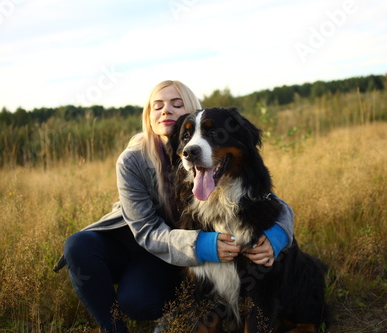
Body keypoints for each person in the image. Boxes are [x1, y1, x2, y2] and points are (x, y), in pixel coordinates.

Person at [53, 80, 295, 333]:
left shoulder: (211, 151)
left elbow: (265, 199)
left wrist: (278, 235)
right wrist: (201, 245)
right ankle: (112, 328)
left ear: (192, 110)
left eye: (176, 104)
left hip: (173, 257)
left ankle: (175, 309)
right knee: (78, 244)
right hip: (143, 244)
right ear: (148, 116)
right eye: (157, 106)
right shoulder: (132, 160)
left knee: (140, 301)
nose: (166, 110)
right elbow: (145, 231)